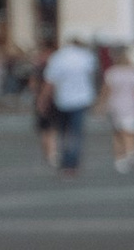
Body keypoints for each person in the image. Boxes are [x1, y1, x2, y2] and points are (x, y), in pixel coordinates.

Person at [41, 34, 99, 174]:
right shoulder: (87, 57)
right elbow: (93, 76)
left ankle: (66, 161)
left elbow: (50, 81)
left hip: (63, 99)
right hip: (81, 99)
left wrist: (43, 99)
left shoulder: (59, 57)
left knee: (63, 133)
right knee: (76, 133)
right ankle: (73, 163)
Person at [104, 54, 134, 176]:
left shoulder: (112, 73)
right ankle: (132, 151)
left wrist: (102, 104)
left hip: (116, 106)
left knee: (117, 133)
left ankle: (120, 157)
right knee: (131, 132)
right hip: (131, 106)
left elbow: (107, 90)